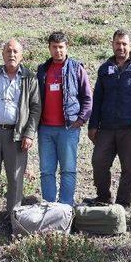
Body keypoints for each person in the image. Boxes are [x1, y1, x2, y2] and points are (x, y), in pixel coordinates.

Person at [0, 39, 41, 234]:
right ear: (2, 54)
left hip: (17, 136)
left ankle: (13, 219)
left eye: (15, 51)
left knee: (15, 178)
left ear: (21, 55)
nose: (11, 54)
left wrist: (29, 134)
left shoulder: (30, 78)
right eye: (8, 51)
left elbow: (36, 108)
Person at [87, 29, 131, 209]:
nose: (121, 47)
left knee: (129, 168)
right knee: (98, 161)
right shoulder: (104, 68)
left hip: (130, 128)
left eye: (124, 44)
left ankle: (123, 204)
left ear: (130, 46)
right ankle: (103, 197)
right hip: (106, 128)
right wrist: (93, 125)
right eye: (118, 43)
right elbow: (98, 98)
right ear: (112, 44)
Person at [36, 31, 92, 206]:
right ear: (49, 48)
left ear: (66, 47)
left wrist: (80, 120)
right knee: (46, 170)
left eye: (61, 47)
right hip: (45, 129)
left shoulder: (76, 68)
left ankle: (66, 207)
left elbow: (88, 98)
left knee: (68, 170)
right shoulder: (42, 70)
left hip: (68, 128)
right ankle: (49, 206)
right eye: (54, 47)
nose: (58, 51)